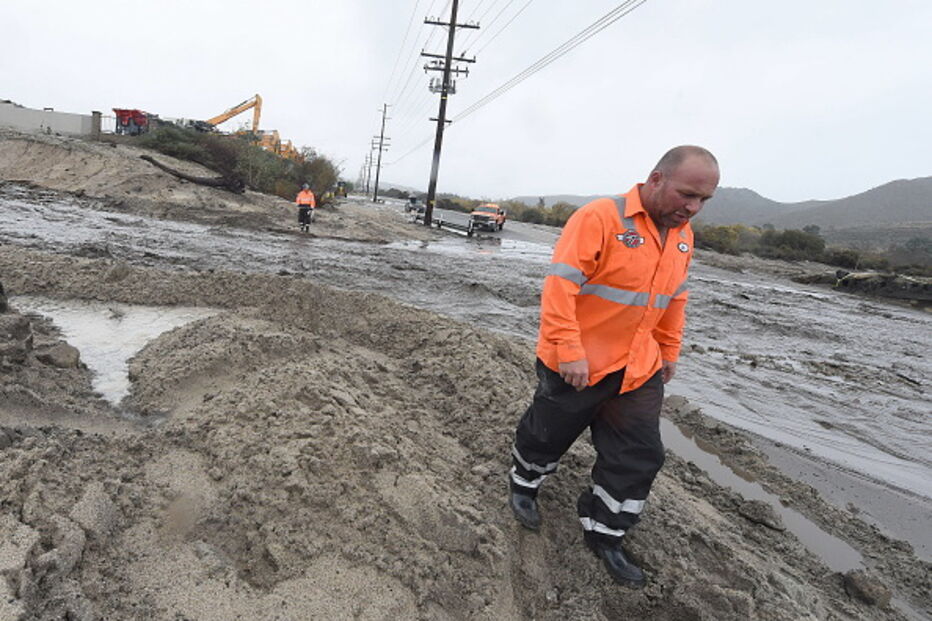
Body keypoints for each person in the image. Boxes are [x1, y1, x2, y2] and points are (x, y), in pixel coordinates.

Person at [507, 145, 720, 587]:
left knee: (640, 454)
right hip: (578, 364)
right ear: (656, 179)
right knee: (547, 434)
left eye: (703, 201)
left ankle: (605, 532)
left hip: (638, 369)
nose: (693, 208)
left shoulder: (683, 235)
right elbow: (561, 286)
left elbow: (674, 298)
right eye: (687, 195)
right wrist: (569, 350)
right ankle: (524, 485)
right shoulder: (601, 218)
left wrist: (669, 351)